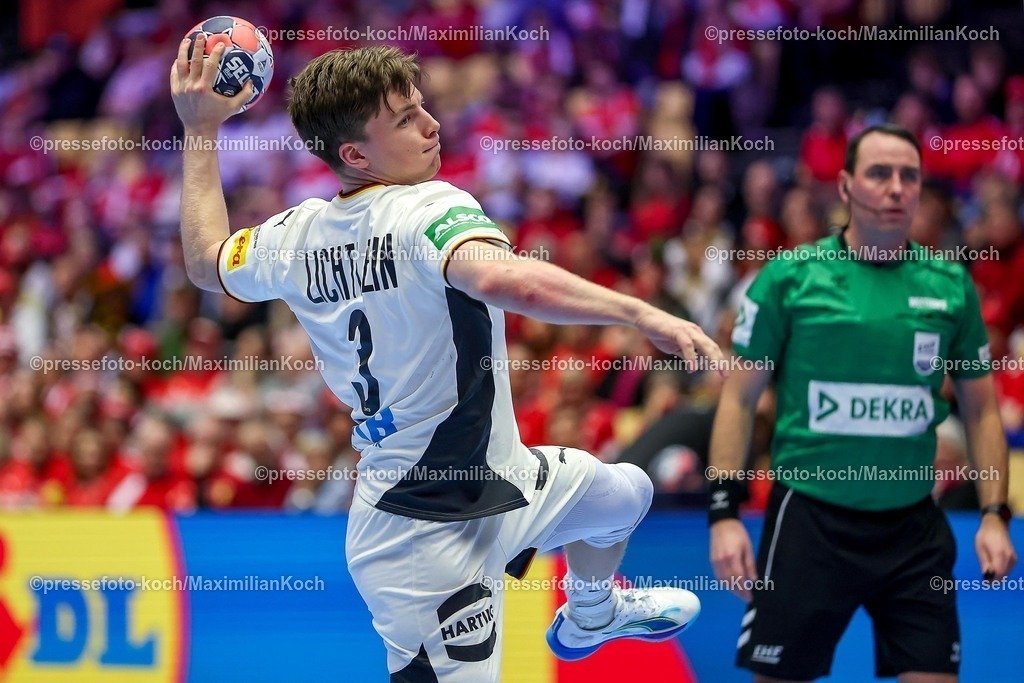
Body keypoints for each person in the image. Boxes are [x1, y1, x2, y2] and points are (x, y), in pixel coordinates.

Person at [170, 41, 715, 681]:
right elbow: (509, 280)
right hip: (420, 533)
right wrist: (640, 313)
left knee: (625, 492)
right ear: (354, 154)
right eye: (403, 118)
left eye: (421, 107)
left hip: (502, 479)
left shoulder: (293, 236)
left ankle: (592, 611)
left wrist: (200, 129)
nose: (431, 124)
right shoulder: (426, 208)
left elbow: (206, 261)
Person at [707, 124, 1018, 683]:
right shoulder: (789, 278)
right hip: (810, 521)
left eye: (909, 176)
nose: (896, 187)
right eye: (879, 173)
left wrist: (996, 514)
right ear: (847, 186)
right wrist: (724, 514)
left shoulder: (951, 286)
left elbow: (982, 409)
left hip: (913, 529)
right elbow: (739, 398)